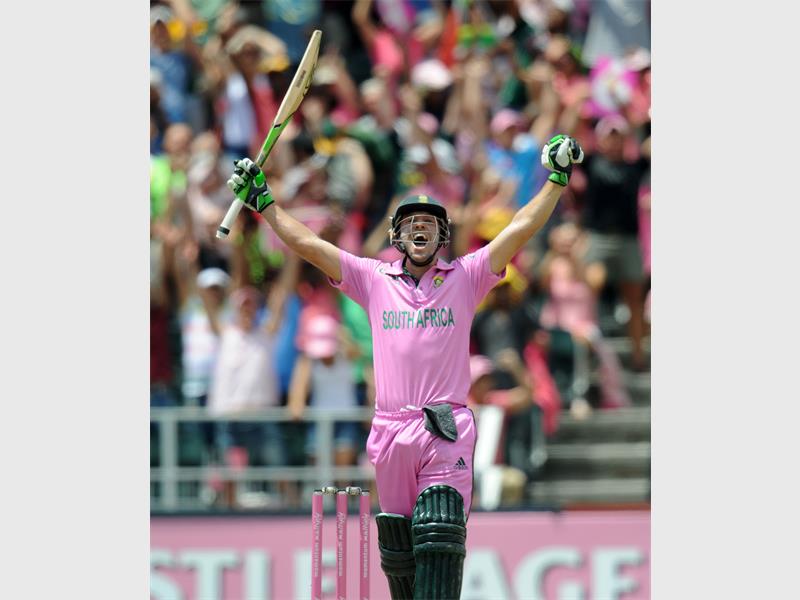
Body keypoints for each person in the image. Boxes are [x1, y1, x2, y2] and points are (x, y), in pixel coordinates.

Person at [225, 133, 583, 598]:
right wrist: (264, 204)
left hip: (444, 425)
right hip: (390, 428)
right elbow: (310, 244)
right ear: (396, 234)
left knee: (440, 530)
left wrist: (556, 181)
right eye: (412, 222)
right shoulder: (374, 279)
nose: (420, 228)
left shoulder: (466, 276)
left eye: (429, 223)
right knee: (399, 551)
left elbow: (518, 228)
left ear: (442, 235)